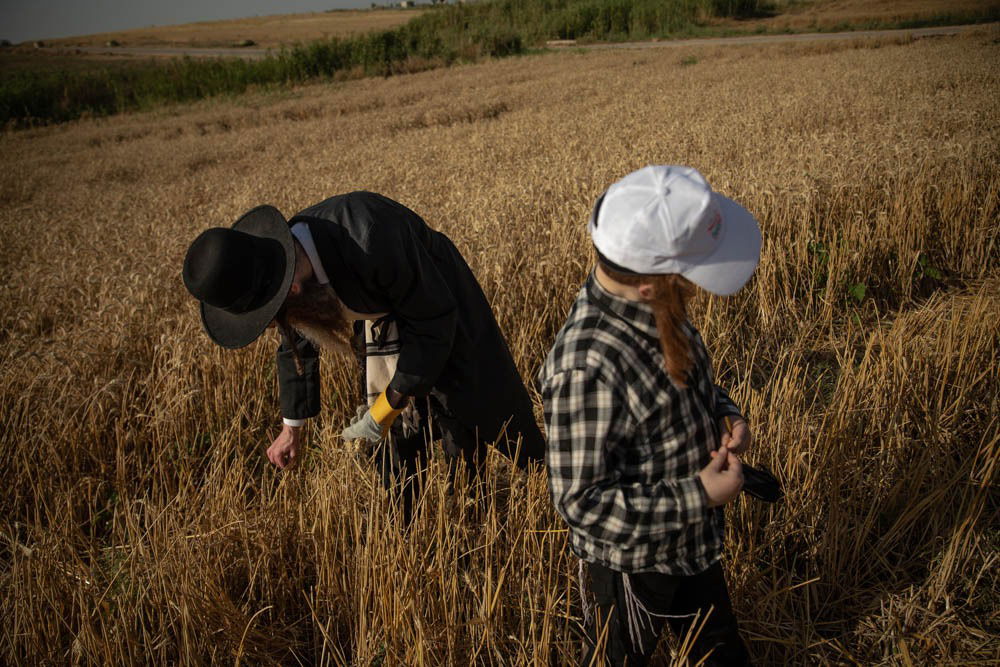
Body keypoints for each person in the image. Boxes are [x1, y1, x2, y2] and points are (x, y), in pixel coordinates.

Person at [182, 191, 544, 521]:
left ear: (291, 288)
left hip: (438, 300)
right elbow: (294, 342)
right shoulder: (280, 268)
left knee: (471, 409)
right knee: (395, 445)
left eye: (276, 311)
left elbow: (433, 324)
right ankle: (406, 523)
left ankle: (483, 506)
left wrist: (387, 404)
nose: (278, 323)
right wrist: (291, 429)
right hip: (381, 327)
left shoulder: (371, 238)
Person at [538, 166, 760, 665]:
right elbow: (581, 502)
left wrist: (725, 413)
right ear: (650, 285)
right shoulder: (585, 367)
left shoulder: (656, 305)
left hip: (691, 547)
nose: (695, 290)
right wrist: (698, 493)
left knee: (722, 652)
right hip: (635, 570)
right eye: (689, 278)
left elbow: (678, 384)